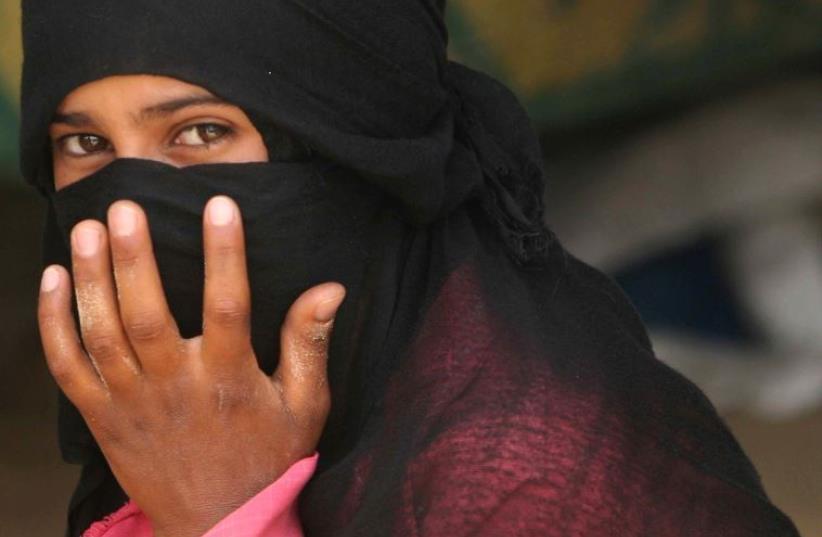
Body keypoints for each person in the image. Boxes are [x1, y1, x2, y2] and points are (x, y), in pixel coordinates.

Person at [21, 1, 800, 536]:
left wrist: (227, 513)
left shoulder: (528, 487)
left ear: (353, 151)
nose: (124, 220)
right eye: (84, 145)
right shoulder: (175, 410)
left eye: (200, 131)